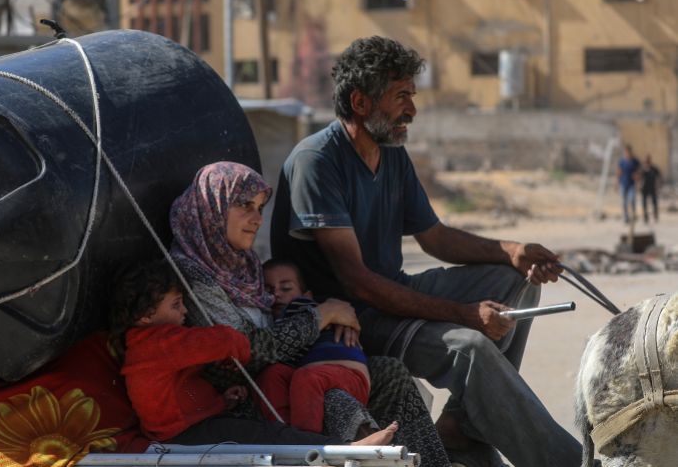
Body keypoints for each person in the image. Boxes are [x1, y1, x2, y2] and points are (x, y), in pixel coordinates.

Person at [270, 36, 582, 467]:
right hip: (352, 318)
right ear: (360, 102)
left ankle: (461, 427)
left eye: (411, 96)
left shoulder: (392, 155)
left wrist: (511, 250)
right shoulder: (316, 162)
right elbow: (358, 282)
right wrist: (464, 313)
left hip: (392, 293)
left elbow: (435, 237)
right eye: (401, 98)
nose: (412, 111)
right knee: (467, 347)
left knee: (513, 280)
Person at [169, 161, 450, 466]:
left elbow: (285, 313)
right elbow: (243, 354)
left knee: (389, 371)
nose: (257, 219)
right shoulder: (193, 273)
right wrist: (321, 317)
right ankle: (365, 453)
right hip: (240, 396)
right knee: (329, 395)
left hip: (285, 372)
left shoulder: (242, 263)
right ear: (213, 206)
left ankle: (434, 462)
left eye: (261, 208)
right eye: (244, 205)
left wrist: (336, 322)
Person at [108, 259, 397, 446]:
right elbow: (217, 341)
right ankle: (342, 450)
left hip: (191, 424)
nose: (185, 312)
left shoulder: (147, 341)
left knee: (268, 428)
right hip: (184, 434)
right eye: (176, 305)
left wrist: (221, 401)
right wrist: (240, 342)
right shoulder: (157, 342)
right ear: (146, 314)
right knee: (266, 436)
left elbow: (181, 394)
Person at [257, 259, 370, 434]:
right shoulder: (273, 319)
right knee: (272, 375)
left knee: (307, 376)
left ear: (307, 295)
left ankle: (308, 443)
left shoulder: (302, 307)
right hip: (310, 378)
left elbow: (282, 346)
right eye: (268, 290)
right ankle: (282, 434)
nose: (276, 295)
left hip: (350, 378)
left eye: (286, 288)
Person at [617, 144, 641, 224]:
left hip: (632, 184)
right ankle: (626, 217)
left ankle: (633, 215)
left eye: (628, 151)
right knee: (624, 202)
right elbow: (619, 172)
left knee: (632, 200)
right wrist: (617, 182)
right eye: (626, 152)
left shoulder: (635, 161)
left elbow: (640, 171)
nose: (627, 153)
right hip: (624, 184)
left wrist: (637, 176)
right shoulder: (622, 161)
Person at [640, 154, 661, 223]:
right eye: (646, 161)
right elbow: (638, 178)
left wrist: (658, 186)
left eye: (648, 160)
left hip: (652, 188)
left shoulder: (654, 168)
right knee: (644, 204)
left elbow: (659, 176)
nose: (647, 162)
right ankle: (645, 217)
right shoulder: (642, 169)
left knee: (654, 203)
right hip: (644, 189)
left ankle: (655, 215)